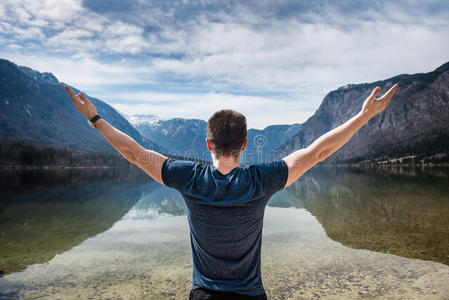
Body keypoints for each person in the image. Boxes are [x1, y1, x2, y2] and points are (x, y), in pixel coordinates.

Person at [65, 83, 398, 299]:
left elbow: (134, 154)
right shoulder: (261, 180)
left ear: (208, 143)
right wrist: (363, 115)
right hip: (251, 295)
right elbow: (316, 152)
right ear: (245, 144)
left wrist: (94, 118)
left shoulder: (189, 178)